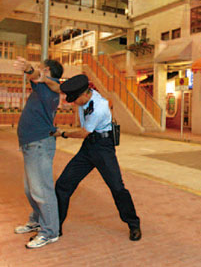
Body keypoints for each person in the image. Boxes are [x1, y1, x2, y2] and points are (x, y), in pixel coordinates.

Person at [52, 74, 142, 241]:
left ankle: (133, 223)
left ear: (85, 94)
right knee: (63, 185)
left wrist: (62, 134)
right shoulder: (84, 97)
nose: (73, 103)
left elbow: (83, 133)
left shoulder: (98, 107)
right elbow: (57, 88)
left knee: (117, 187)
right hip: (88, 149)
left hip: (103, 148)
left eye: (75, 100)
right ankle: (55, 227)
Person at [13, 57, 64, 249]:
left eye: (42, 68)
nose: (38, 71)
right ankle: (36, 221)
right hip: (31, 145)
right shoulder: (43, 87)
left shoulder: (47, 86)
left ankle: (50, 231)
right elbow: (37, 77)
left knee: (41, 190)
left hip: (39, 145)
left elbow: (35, 75)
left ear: (48, 71)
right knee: (31, 190)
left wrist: (29, 69)